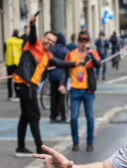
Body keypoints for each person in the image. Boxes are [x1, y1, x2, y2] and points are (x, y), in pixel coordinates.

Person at [13, 14, 79, 157]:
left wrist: (76, 64)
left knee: (25, 116)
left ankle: (20, 147)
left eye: (52, 41)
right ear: (43, 38)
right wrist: (32, 23)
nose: (49, 42)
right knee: (34, 115)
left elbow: (60, 63)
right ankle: (39, 148)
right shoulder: (34, 44)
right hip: (25, 84)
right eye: (48, 39)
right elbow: (32, 36)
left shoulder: (47, 55)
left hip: (27, 86)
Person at [61, 31, 101, 152]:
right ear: (78, 42)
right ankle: (75, 142)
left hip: (88, 90)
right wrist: (62, 84)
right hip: (74, 89)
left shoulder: (92, 53)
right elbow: (65, 69)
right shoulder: (71, 54)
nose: (84, 44)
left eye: (86, 42)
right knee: (73, 118)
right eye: (82, 42)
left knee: (90, 118)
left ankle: (90, 142)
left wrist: (90, 55)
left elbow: (98, 64)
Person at [49, 33, 69, 123]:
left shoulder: (51, 50)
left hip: (52, 75)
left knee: (53, 97)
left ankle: (53, 116)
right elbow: (67, 65)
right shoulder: (65, 51)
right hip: (62, 76)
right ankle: (63, 116)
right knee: (61, 97)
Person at [4, 29, 23, 101]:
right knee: (17, 80)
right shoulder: (20, 41)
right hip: (17, 63)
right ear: (18, 34)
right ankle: (18, 95)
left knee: (9, 80)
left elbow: (4, 51)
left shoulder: (7, 41)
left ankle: (10, 95)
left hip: (9, 63)